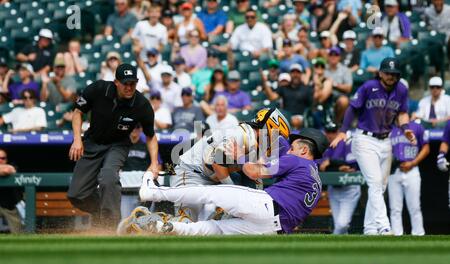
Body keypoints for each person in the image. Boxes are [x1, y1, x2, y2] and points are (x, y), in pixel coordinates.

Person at [119, 128, 328, 235]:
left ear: (304, 150)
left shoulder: (298, 160)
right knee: (211, 230)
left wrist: (240, 157)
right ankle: (161, 226)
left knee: (211, 193)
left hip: (266, 206)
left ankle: (152, 193)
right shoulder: (316, 180)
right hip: (274, 228)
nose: (289, 150)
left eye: (293, 147)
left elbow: (255, 172)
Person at [330, 57, 416, 235]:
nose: (391, 76)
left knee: (379, 187)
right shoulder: (369, 87)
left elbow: (402, 113)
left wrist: (406, 128)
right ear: (380, 73)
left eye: (394, 73)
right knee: (375, 182)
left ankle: (369, 229)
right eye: (388, 72)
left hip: (386, 141)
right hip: (365, 139)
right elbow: (352, 108)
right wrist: (343, 131)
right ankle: (384, 226)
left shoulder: (401, 89)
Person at [67, 63, 159, 229]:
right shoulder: (98, 89)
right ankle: (100, 211)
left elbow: (151, 136)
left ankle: (109, 225)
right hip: (92, 142)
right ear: (116, 82)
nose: (129, 87)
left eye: (133, 83)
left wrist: (154, 163)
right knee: (76, 194)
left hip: (118, 145)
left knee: (109, 177)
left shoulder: (142, 105)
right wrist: (77, 139)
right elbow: (77, 112)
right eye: (126, 83)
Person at [169, 107, 290, 222]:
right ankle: (154, 222)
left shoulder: (257, 144)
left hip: (212, 178)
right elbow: (217, 163)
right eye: (277, 134)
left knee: (247, 191)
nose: (276, 141)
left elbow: (254, 176)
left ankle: (222, 217)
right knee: (186, 222)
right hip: (190, 173)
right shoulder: (241, 134)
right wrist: (233, 193)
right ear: (268, 128)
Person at [388, 120, 429, 236]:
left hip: (412, 169)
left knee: (415, 207)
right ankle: (396, 235)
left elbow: (426, 148)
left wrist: (413, 163)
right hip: (394, 170)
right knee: (395, 208)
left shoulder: (416, 127)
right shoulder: (389, 128)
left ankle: (419, 234)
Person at [319, 122, 360, 234]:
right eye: (328, 132)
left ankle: (329, 247)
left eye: (333, 131)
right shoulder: (325, 147)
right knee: (339, 225)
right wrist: (337, 166)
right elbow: (320, 167)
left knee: (342, 224)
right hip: (334, 189)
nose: (330, 134)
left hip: (349, 188)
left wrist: (331, 162)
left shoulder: (346, 143)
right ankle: (344, 249)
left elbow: (352, 165)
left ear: (338, 132)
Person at [262, 63, 313, 129]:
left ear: (301, 74)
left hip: (302, 117)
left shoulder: (306, 88)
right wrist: (264, 82)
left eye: (297, 72)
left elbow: (311, 106)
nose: (295, 75)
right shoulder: (284, 88)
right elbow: (272, 97)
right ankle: (273, 138)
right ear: (290, 74)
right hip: (286, 116)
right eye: (293, 72)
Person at [120, 124, 151, 220]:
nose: (134, 129)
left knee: (146, 221)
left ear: (141, 129)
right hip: (125, 190)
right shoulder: (121, 146)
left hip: (143, 189)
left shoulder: (148, 145)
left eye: (137, 127)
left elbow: (157, 165)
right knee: (126, 220)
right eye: (132, 127)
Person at [324, 46, 352, 124]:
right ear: (328, 56)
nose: (333, 57)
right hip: (325, 95)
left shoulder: (345, 70)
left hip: (338, 95)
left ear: (339, 57)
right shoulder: (323, 68)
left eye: (336, 54)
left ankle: (336, 123)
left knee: (344, 101)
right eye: (331, 54)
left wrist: (334, 84)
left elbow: (348, 88)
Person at [0, 149, 23, 233]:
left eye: (3, 158)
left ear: (7, 159)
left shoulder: (12, 165)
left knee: (18, 234)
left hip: (10, 207)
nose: (0, 160)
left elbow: (7, 170)